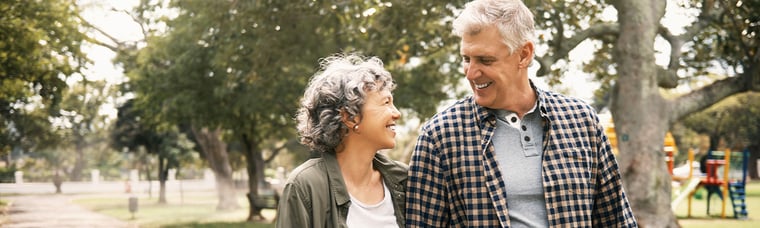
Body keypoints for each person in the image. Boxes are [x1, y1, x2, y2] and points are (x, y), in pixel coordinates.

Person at [405, 0, 638, 227]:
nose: (471, 73)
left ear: (524, 55)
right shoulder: (440, 135)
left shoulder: (581, 121)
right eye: (467, 59)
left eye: (485, 60)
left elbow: (616, 219)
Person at [276, 53, 407, 228]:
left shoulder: (405, 180)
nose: (397, 113)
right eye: (386, 103)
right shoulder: (305, 187)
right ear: (350, 117)